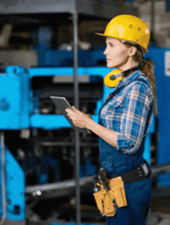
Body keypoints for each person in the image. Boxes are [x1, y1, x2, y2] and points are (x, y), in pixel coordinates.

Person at [66, 14, 157, 225]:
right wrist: (88, 121)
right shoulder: (124, 83)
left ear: (131, 50)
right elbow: (117, 127)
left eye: (111, 45)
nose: (105, 51)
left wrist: (89, 124)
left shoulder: (136, 88)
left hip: (128, 187)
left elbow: (128, 142)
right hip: (116, 184)